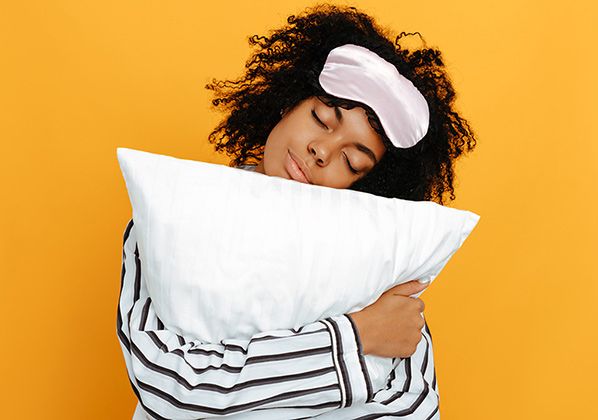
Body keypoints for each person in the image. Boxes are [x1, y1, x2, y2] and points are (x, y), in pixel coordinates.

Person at [118, 4, 477, 419]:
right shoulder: (177, 213)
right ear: (287, 100)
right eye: (322, 119)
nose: (322, 151)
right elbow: (168, 385)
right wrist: (353, 338)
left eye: (353, 162)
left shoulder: (375, 251)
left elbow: (410, 404)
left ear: (366, 184)